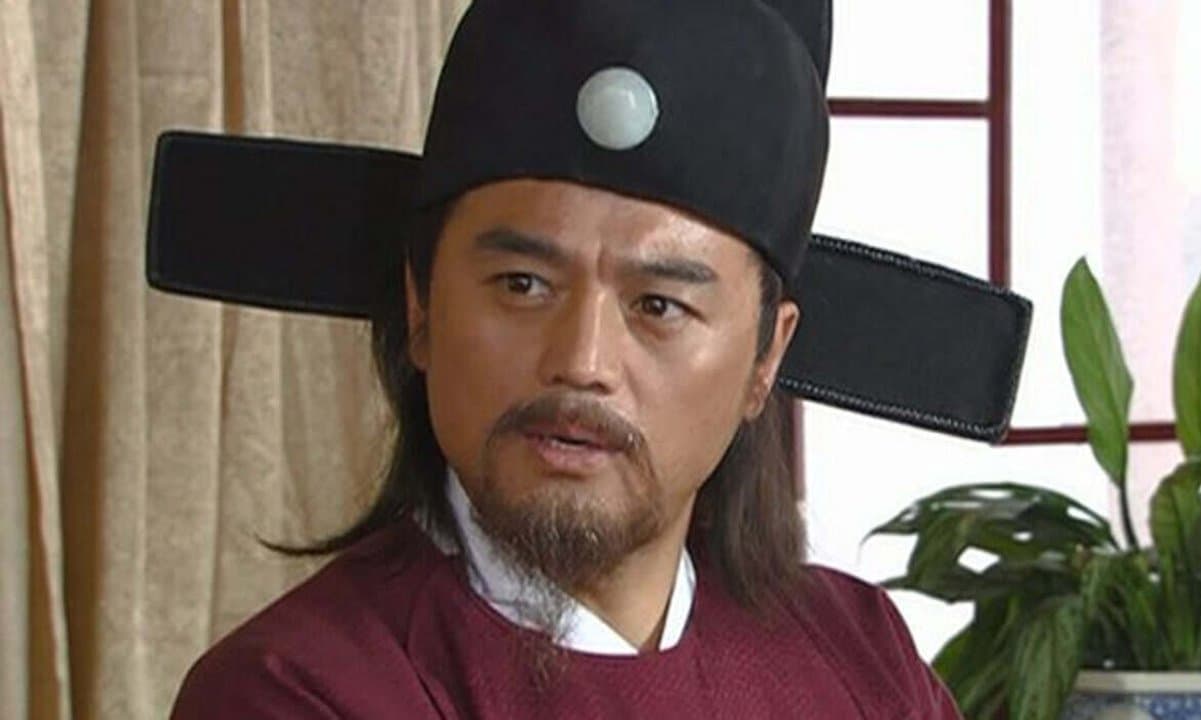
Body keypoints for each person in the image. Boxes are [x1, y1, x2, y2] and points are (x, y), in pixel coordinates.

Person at [153, 1, 1031, 717]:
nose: (582, 361)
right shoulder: (302, 690)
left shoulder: (859, 656)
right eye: (523, 285)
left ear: (766, 355)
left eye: (660, 306)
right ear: (422, 308)